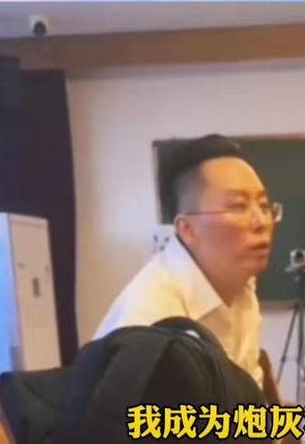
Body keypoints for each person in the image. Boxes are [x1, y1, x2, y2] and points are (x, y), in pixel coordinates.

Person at [94, 134, 282, 403]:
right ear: (187, 229)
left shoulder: (241, 285)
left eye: (264, 206)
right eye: (239, 206)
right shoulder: (150, 322)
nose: (261, 221)